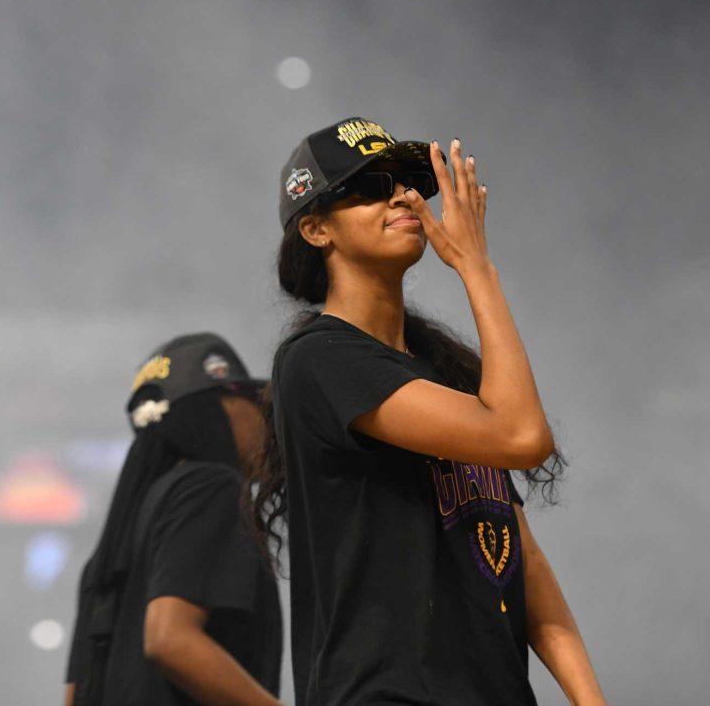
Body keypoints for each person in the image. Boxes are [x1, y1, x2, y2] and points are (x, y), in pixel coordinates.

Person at [250, 117, 607, 705]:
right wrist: (476, 269)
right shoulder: (319, 360)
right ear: (315, 229)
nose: (401, 195)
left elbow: (522, 559)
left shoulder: (441, 374)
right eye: (369, 187)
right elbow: (522, 436)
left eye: (406, 180)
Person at [65, 333, 282, 706]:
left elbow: (76, 695)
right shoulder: (209, 488)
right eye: (250, 400)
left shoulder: (110, 555)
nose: (264, 422)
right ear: (220, 404)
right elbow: (169, 641)